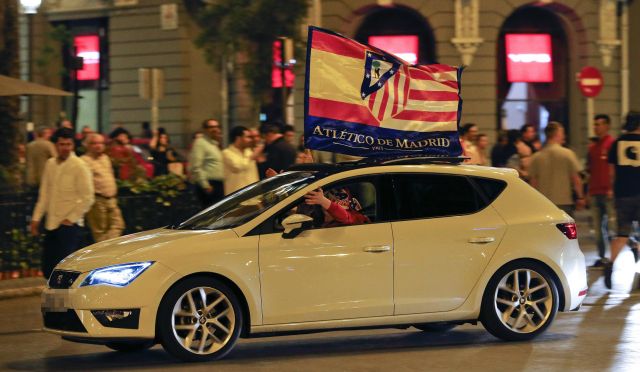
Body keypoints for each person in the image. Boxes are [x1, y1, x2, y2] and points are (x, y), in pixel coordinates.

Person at [30, 127, 94, 278]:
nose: (65, 148)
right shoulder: (50, 164)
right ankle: (54, 300)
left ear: (73, 145)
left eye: (68, 144)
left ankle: (66, 301)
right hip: (51, 224)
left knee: (66, 272)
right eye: (61, 144)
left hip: (69, 227)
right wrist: (36, 218)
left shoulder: (79, 166)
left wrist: (70, 219)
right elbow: (44, 194)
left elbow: (88, 197)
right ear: (56, 145)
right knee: (48, 269)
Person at [604, 111, 640, 289]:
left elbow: (612, 173)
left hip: (623, 195)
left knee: (622, 234)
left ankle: (610, 265)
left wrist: (613, 190)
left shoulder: (617, 143)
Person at [529, 122, 586, 217]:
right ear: (558, 134)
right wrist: (580, 197)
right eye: (562, 133)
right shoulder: (568, 154)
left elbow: (533, 183)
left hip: (543, 203)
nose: (564, 136)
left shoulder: (536, 157)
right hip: (564, 202)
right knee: (565, 231)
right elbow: (575, 178)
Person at [81, 133, 125, 242]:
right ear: (87, 145)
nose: (98, 146)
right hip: (97, 200)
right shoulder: (84, 161)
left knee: (119, 225)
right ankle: (104, 253)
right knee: (99, 232)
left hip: (111, 199)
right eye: (94, 143)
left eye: (101, 143)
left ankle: (108, 246)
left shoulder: (105, 158)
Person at [587, 114, 616, 267]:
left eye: (599, 124)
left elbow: (614, 169)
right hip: (595, 192)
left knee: (612, 229)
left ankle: (615, 257)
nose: (596, 127)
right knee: (598, 230)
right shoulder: (592, 148)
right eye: (595, 124)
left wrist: (613, 188)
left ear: (607, 126)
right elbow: (591, 170)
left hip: (608, 193)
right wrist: (588, 192)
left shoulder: (612, 144)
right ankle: (602, 257)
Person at [190, 119, 225, 207]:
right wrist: (205, 185)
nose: (215, 129)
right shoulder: (200, 143)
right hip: (209, 185)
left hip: (219, 185)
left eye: (217, 127)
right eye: (211, 127)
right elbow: (196, 166)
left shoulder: (214, 144)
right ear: (205, 129)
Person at [303, 186, 370, 227]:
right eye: (333, 200)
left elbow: (344, 217)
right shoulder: (319, 223)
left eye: (342, 196)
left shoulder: (356, 218)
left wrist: (323, 201)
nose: (340, 201)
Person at [222, 126, 261, 195]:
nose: (250, 140)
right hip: (237, 197)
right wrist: (251, 157)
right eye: (248, 137)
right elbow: (237, 167)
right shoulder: (227, 153)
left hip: (253, 195)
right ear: (238, 138)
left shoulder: (249, 151)